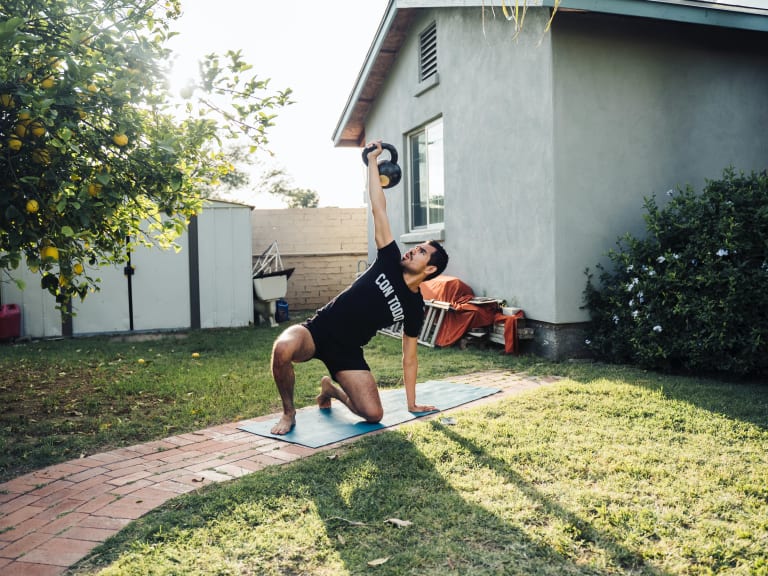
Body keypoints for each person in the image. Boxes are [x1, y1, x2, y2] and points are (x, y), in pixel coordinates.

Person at [269, 140, 449, 435]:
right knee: (283, 348)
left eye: (420, 252)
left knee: (373, 414)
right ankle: (289, 413)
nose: (411, 251)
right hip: (319, 330)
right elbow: (378, 208)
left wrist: (412, 403)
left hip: (348, 351)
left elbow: (410, 356)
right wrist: (373, 163)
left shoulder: (415, 307)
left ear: (429, 269)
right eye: (414, 248)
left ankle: (330, 389)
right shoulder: (389, 259)